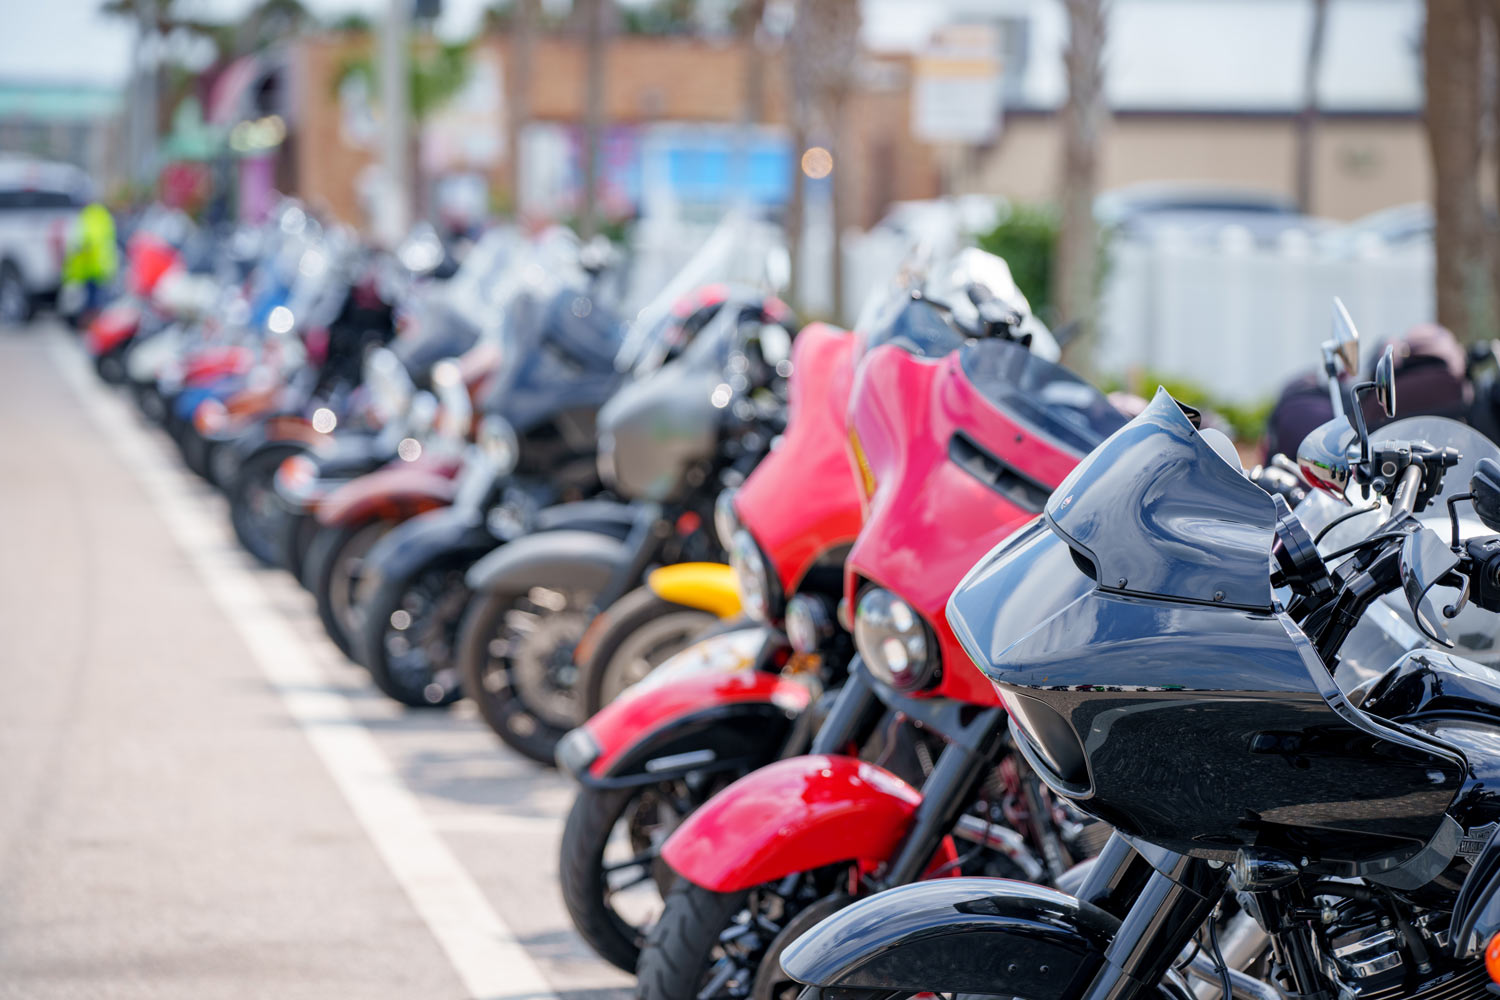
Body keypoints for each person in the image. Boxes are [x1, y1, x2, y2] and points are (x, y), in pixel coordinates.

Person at [64, 202, 119, 318]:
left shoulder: (87, 216)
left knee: (92, 303)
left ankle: (92, 326)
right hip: (103, 267)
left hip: (90, 268)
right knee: (98, 301)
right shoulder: (103, 215)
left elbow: (83, 242)